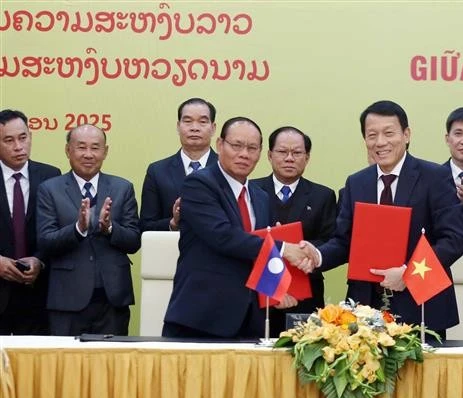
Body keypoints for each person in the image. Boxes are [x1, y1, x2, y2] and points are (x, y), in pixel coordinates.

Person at [311, 100, 463, 338]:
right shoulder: (356, 182)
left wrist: (408, 273)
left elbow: (454, 239)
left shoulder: (435, 177)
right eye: (372, 135)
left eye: (389, 133)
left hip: (421, 304)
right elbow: (344, 241)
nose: (380, 142)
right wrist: (317, 255)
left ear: (406, 134)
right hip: (365, 311)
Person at [162, 117, 312, 339]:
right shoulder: (199, 184)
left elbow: (257, 254)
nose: (244, 154)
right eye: (237, 145)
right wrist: (282, 248)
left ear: (261, 153)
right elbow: (223, 236)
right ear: (220, 144)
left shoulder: (260, 197)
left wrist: (277, 288)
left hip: (251, 319)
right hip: (202, 317)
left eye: (252, 148)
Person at [37, 124, 141, 336]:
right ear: (68, 150)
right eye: (81, 147)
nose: (88, 154)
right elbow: (45, 241)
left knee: (112, 367)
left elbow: (134, 241)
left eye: (95, 148)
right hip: (67, 299)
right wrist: (78, 229)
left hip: (112, 299)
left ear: (105, 151)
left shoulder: (122, 188)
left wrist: (110, 228)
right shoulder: (50, 189)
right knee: (66, 367)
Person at [251, 126, 337, 336]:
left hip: (305, 291)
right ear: (270, 155)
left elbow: (330, 239)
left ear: (307, 158)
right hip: (260, 291)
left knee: (303, 356)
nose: (289, 158)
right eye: (282, 152)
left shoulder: (323, 195)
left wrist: (306, 252)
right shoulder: (252, 191)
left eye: (297, 153)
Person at [0, 109, 61, 335]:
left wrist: (40, 261)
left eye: (23, 137)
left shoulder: (51, 176)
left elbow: (57, 231)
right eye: (9, 140)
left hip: (39, 295)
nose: (18, 146)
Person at [140, 97, 218, 232]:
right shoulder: (157, 172)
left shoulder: (227, 169)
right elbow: (146, 226)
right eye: (188, 121)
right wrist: (173, 223)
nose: (194, 128)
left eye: (203, 122)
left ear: (213, 128)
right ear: (178, 126)